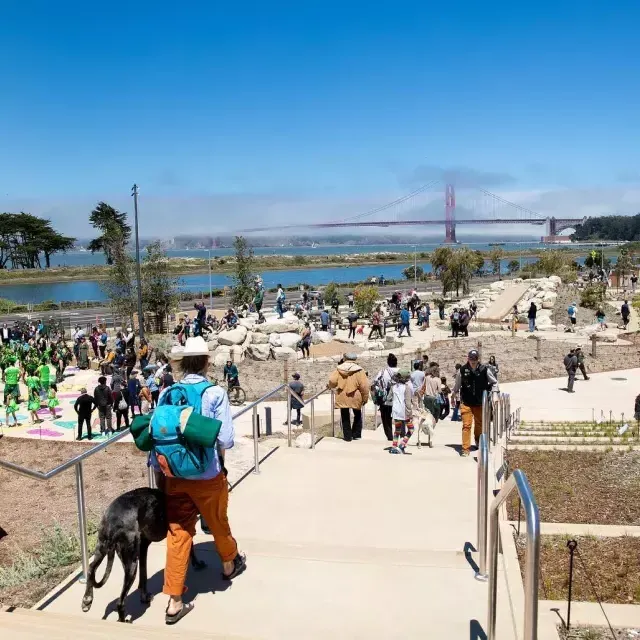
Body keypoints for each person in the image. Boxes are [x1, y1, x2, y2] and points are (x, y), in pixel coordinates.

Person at [153, 336, 244, 623]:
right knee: (217, 521)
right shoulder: (215, 393)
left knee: (178, 534)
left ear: (182, 363)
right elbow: (226, 440)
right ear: (206, 362)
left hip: (174, 476)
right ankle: (229, 564)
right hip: (207, 475)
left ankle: (175, 601)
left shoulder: (167, 392)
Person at [453, 350, 497, 456]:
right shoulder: (462, 370)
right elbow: (457, 385)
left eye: (475, 359)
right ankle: (465, 449)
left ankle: (477, 440)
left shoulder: (484, 369)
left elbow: (494, 382)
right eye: (471, 359)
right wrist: (454, 394)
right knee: (466, 425)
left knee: (479, 424)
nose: (473, 361)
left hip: (480, 403)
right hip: (466, 402)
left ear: (478, 359)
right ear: (468, 358)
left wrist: (495, 395)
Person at [328, 353, 369, 442]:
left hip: (342, 394)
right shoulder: (360, 370)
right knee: (357, 414)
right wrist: (365, 398)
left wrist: (331, 386)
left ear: (345, 358)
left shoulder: (339, 369)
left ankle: (347, 436)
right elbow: (364, 386)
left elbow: (332, 380)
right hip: (356, 395)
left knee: (344, 415)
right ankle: (356, 433)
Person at [372, 354, 399, 441]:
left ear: (388, 362)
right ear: (396, 363)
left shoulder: (383, 372)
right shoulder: (401, 372)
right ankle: (399, 434)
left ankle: (389, 436)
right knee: (399, 417)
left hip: (385, 399)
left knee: (386, 418)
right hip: (398, 398)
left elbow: (375, 382)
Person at [389, 370, 414, 454]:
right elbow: (408, 403)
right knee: (411, 429)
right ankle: (402, 445)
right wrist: (410, 414)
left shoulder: (393, 387)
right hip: (404, 412)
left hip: (395, 411)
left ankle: (394, 447)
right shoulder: (406, 388)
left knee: (397, 430)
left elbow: (389, 398)